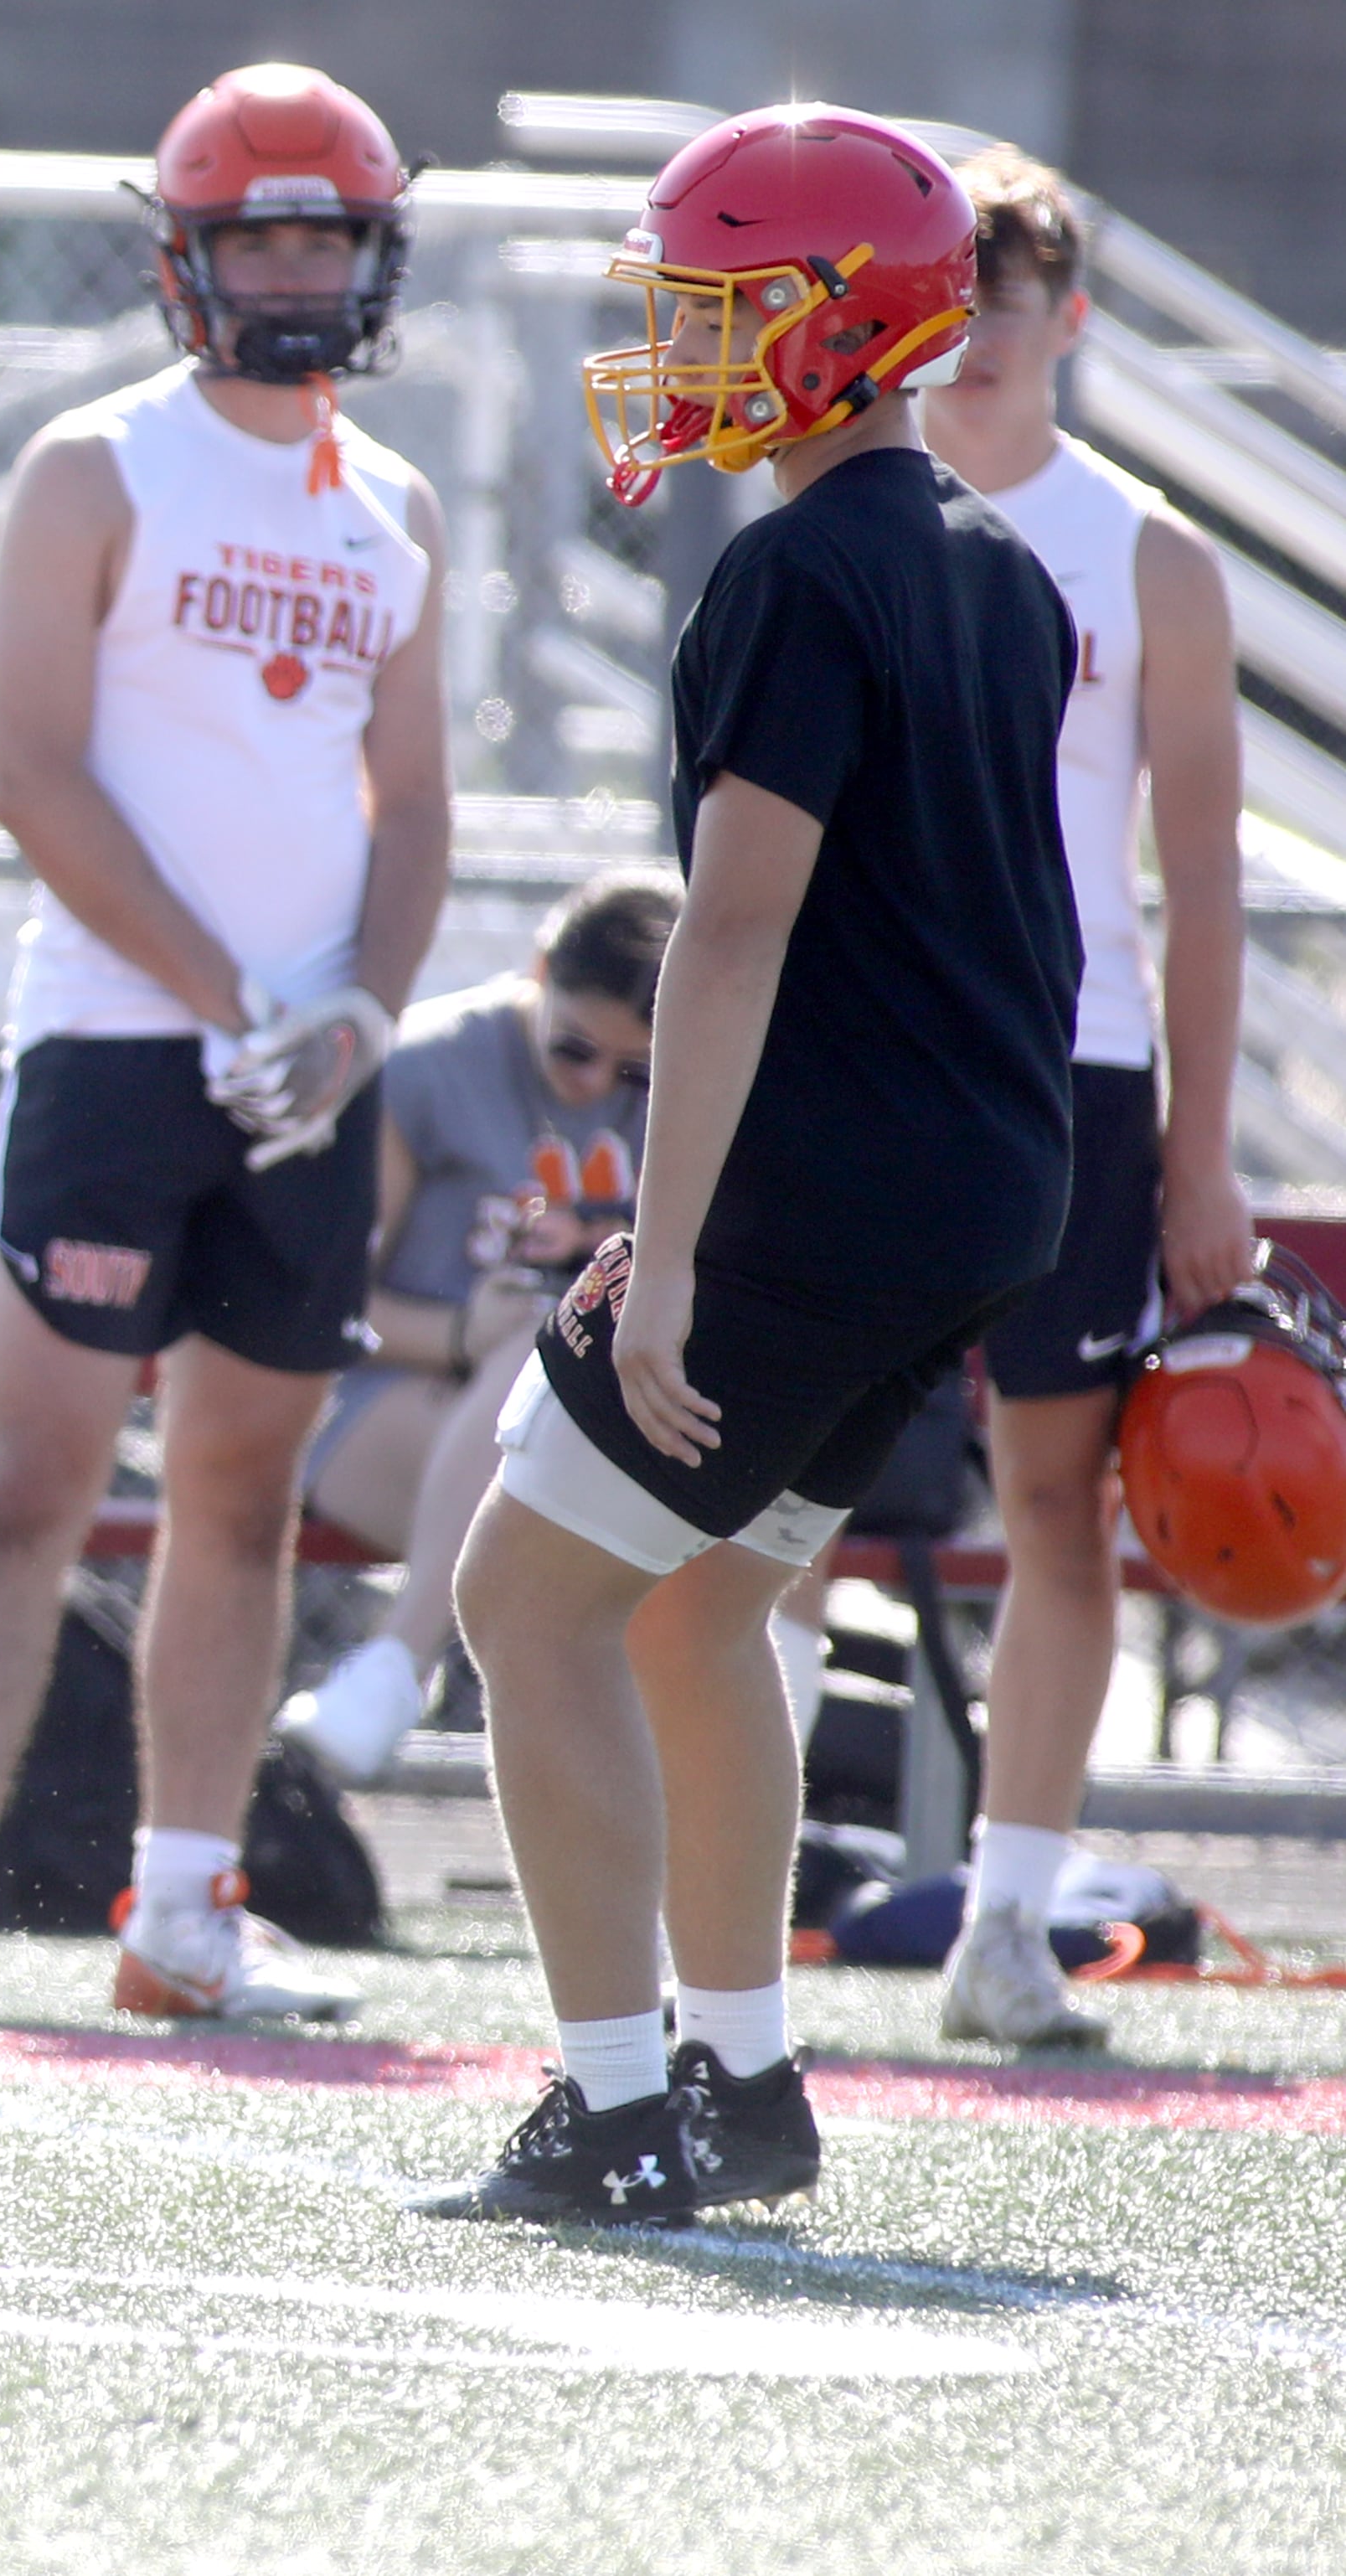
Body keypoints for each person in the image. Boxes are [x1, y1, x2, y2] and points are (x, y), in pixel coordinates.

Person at [423, 106, 1079, 2225]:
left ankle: (614, 2106)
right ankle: (741, 2079)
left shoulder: (791, 567)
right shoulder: (983, 547)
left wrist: (667, 1244)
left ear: (833, 322)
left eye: (714, 303)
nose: (677, 342)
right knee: (699, 1612)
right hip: (981, 1177)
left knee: (518, 1599)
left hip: (834, 1182)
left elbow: (732, 923)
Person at [0, 61, 449, 2023]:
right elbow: (29, 778)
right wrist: (233, 999)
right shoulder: (88, 467)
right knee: (27, 1483)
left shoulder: (394, 509)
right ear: (181, 256)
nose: (288, 265)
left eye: (319, 231)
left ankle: (181, 1909)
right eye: (254, 229)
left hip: (304, 1071)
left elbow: (413, 811)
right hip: (115, 1043)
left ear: (370, 254)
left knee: (243, 1499)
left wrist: (355, 1013)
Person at [918, 147, 1256, 2049]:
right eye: (940, 286)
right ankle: (724, 1901)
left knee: (1057, 1508)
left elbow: (1196, 876)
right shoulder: (839, 516)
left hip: (1065, 1078)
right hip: (875, 1068)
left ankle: (1001, 1919)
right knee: (770, 1497)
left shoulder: (1140, 553)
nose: (970, 324)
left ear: (1065, 316)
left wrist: (1197, 1152)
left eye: (1004, 286)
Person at [276, 871, 678, 1783]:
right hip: (393, 1409)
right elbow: (328, 1305)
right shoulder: (431, 1065)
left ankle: (394, 1670)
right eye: (575, 1049)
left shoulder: (695, 1092)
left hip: (594, 1439)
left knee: (561, 1383)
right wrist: (461, 1333)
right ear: (538, 971)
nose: (596, 1083)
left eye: (633, 1069)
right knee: (537, 1349)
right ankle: (403, 1658)